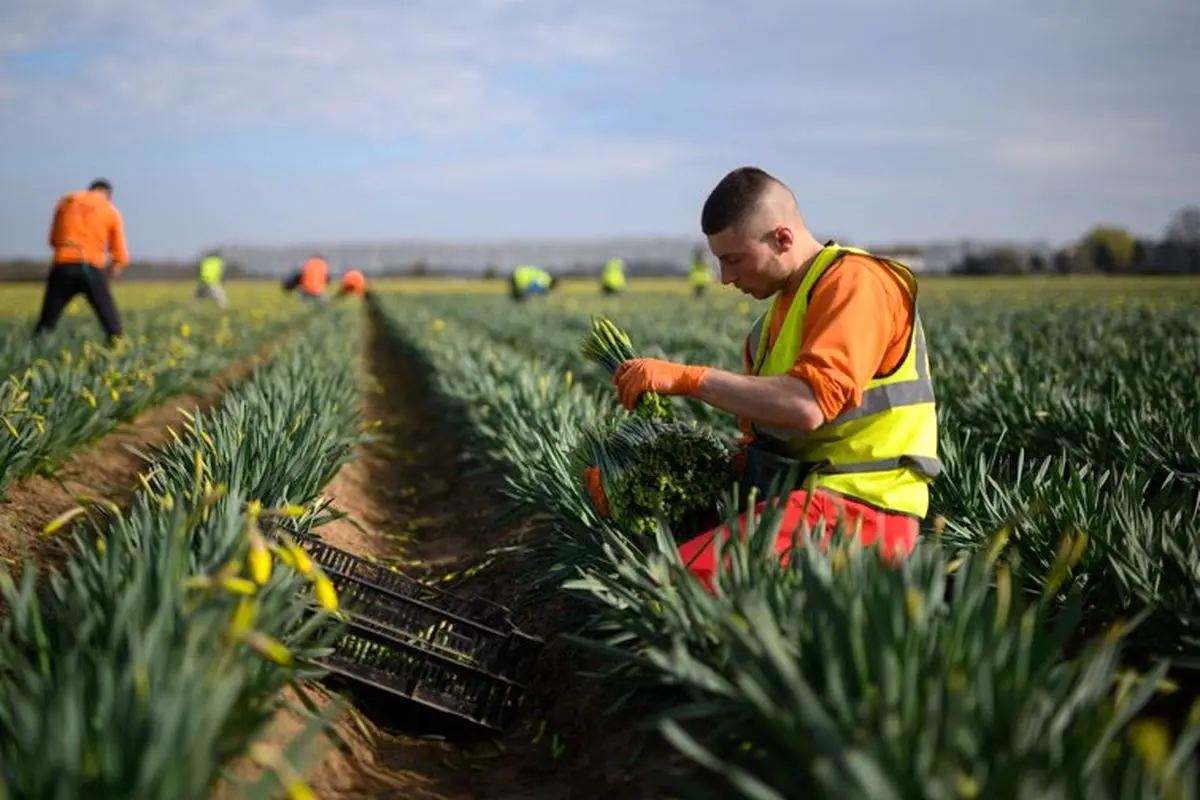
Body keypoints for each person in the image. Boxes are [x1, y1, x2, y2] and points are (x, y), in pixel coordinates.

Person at [586, 166, 942, 592]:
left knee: (669, 591)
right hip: (798, 501)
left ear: (782, 239)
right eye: (719, 261)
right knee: (654, 580)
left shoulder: (856, 283)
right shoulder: (767, 327)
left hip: (860, 510)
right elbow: (768, 447)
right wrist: (628, 475)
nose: (725, 278)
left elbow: (807, 405)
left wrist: (689, 379)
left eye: (733, 259)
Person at [34, 178, 129, 341]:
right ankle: (117, 353)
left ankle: (34, 352)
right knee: (112, 325)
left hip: (63, 266)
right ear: (107, 194)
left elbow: (53, 239)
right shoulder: (109, 209)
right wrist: (113, 270)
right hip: (90, 268)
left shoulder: (67, 201)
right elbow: (119, 253)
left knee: (46, 324)